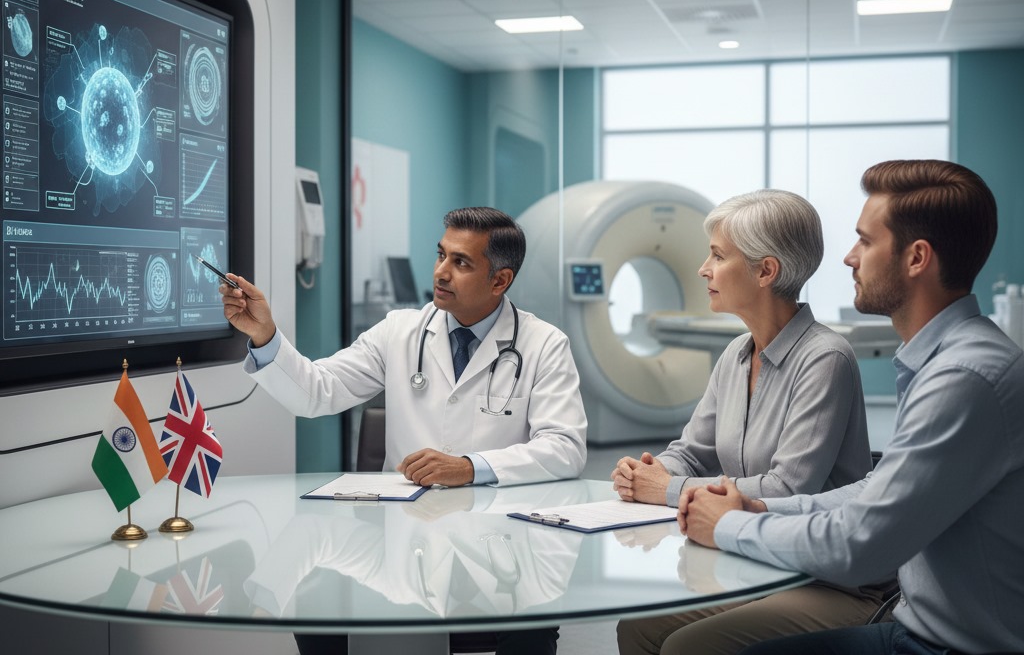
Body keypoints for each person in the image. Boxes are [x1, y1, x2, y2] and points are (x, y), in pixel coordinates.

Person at [681, 160, 1024, 655]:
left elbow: (859, 546)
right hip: (918, 624)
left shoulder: (965, 377)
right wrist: (758, 507)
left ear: (916, 258)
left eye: (865, 241)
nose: (848, 257)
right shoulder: (945, 360)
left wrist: (730, 524)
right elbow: (873, 489)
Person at [220, 206, 587, 655]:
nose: (441, 272)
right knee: (315, 604)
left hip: (501, 543)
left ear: (500, 281)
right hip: (405, 538)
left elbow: (565, 447)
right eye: (441, 255)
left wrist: (471, 468)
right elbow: (317, 391)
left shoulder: (544, 344)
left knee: (527, 619)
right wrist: (265, 336)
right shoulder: (401, 332)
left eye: (461, 262)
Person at [613, 189, 884, 655]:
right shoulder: (737, 354)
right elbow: (691, 451)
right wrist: (646, 470)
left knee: (688, 646)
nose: (703, 269)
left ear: (766, 271)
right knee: (636, 627)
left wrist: (667, 490)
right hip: (756, 558)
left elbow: (785, 488)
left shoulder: (826, 358)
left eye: (718, 256)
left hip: (827, 578)